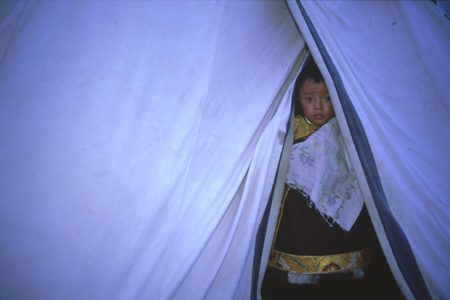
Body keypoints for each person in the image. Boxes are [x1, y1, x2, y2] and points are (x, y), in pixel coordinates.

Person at [261, 59, 402, 299]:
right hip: (300, 207)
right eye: (309, 99)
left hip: (337, 209)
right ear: (297, 99)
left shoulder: (347, 128)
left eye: (327, 99)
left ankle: (345, 272)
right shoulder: (291, 128)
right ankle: (298, 273)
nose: (318, 107)